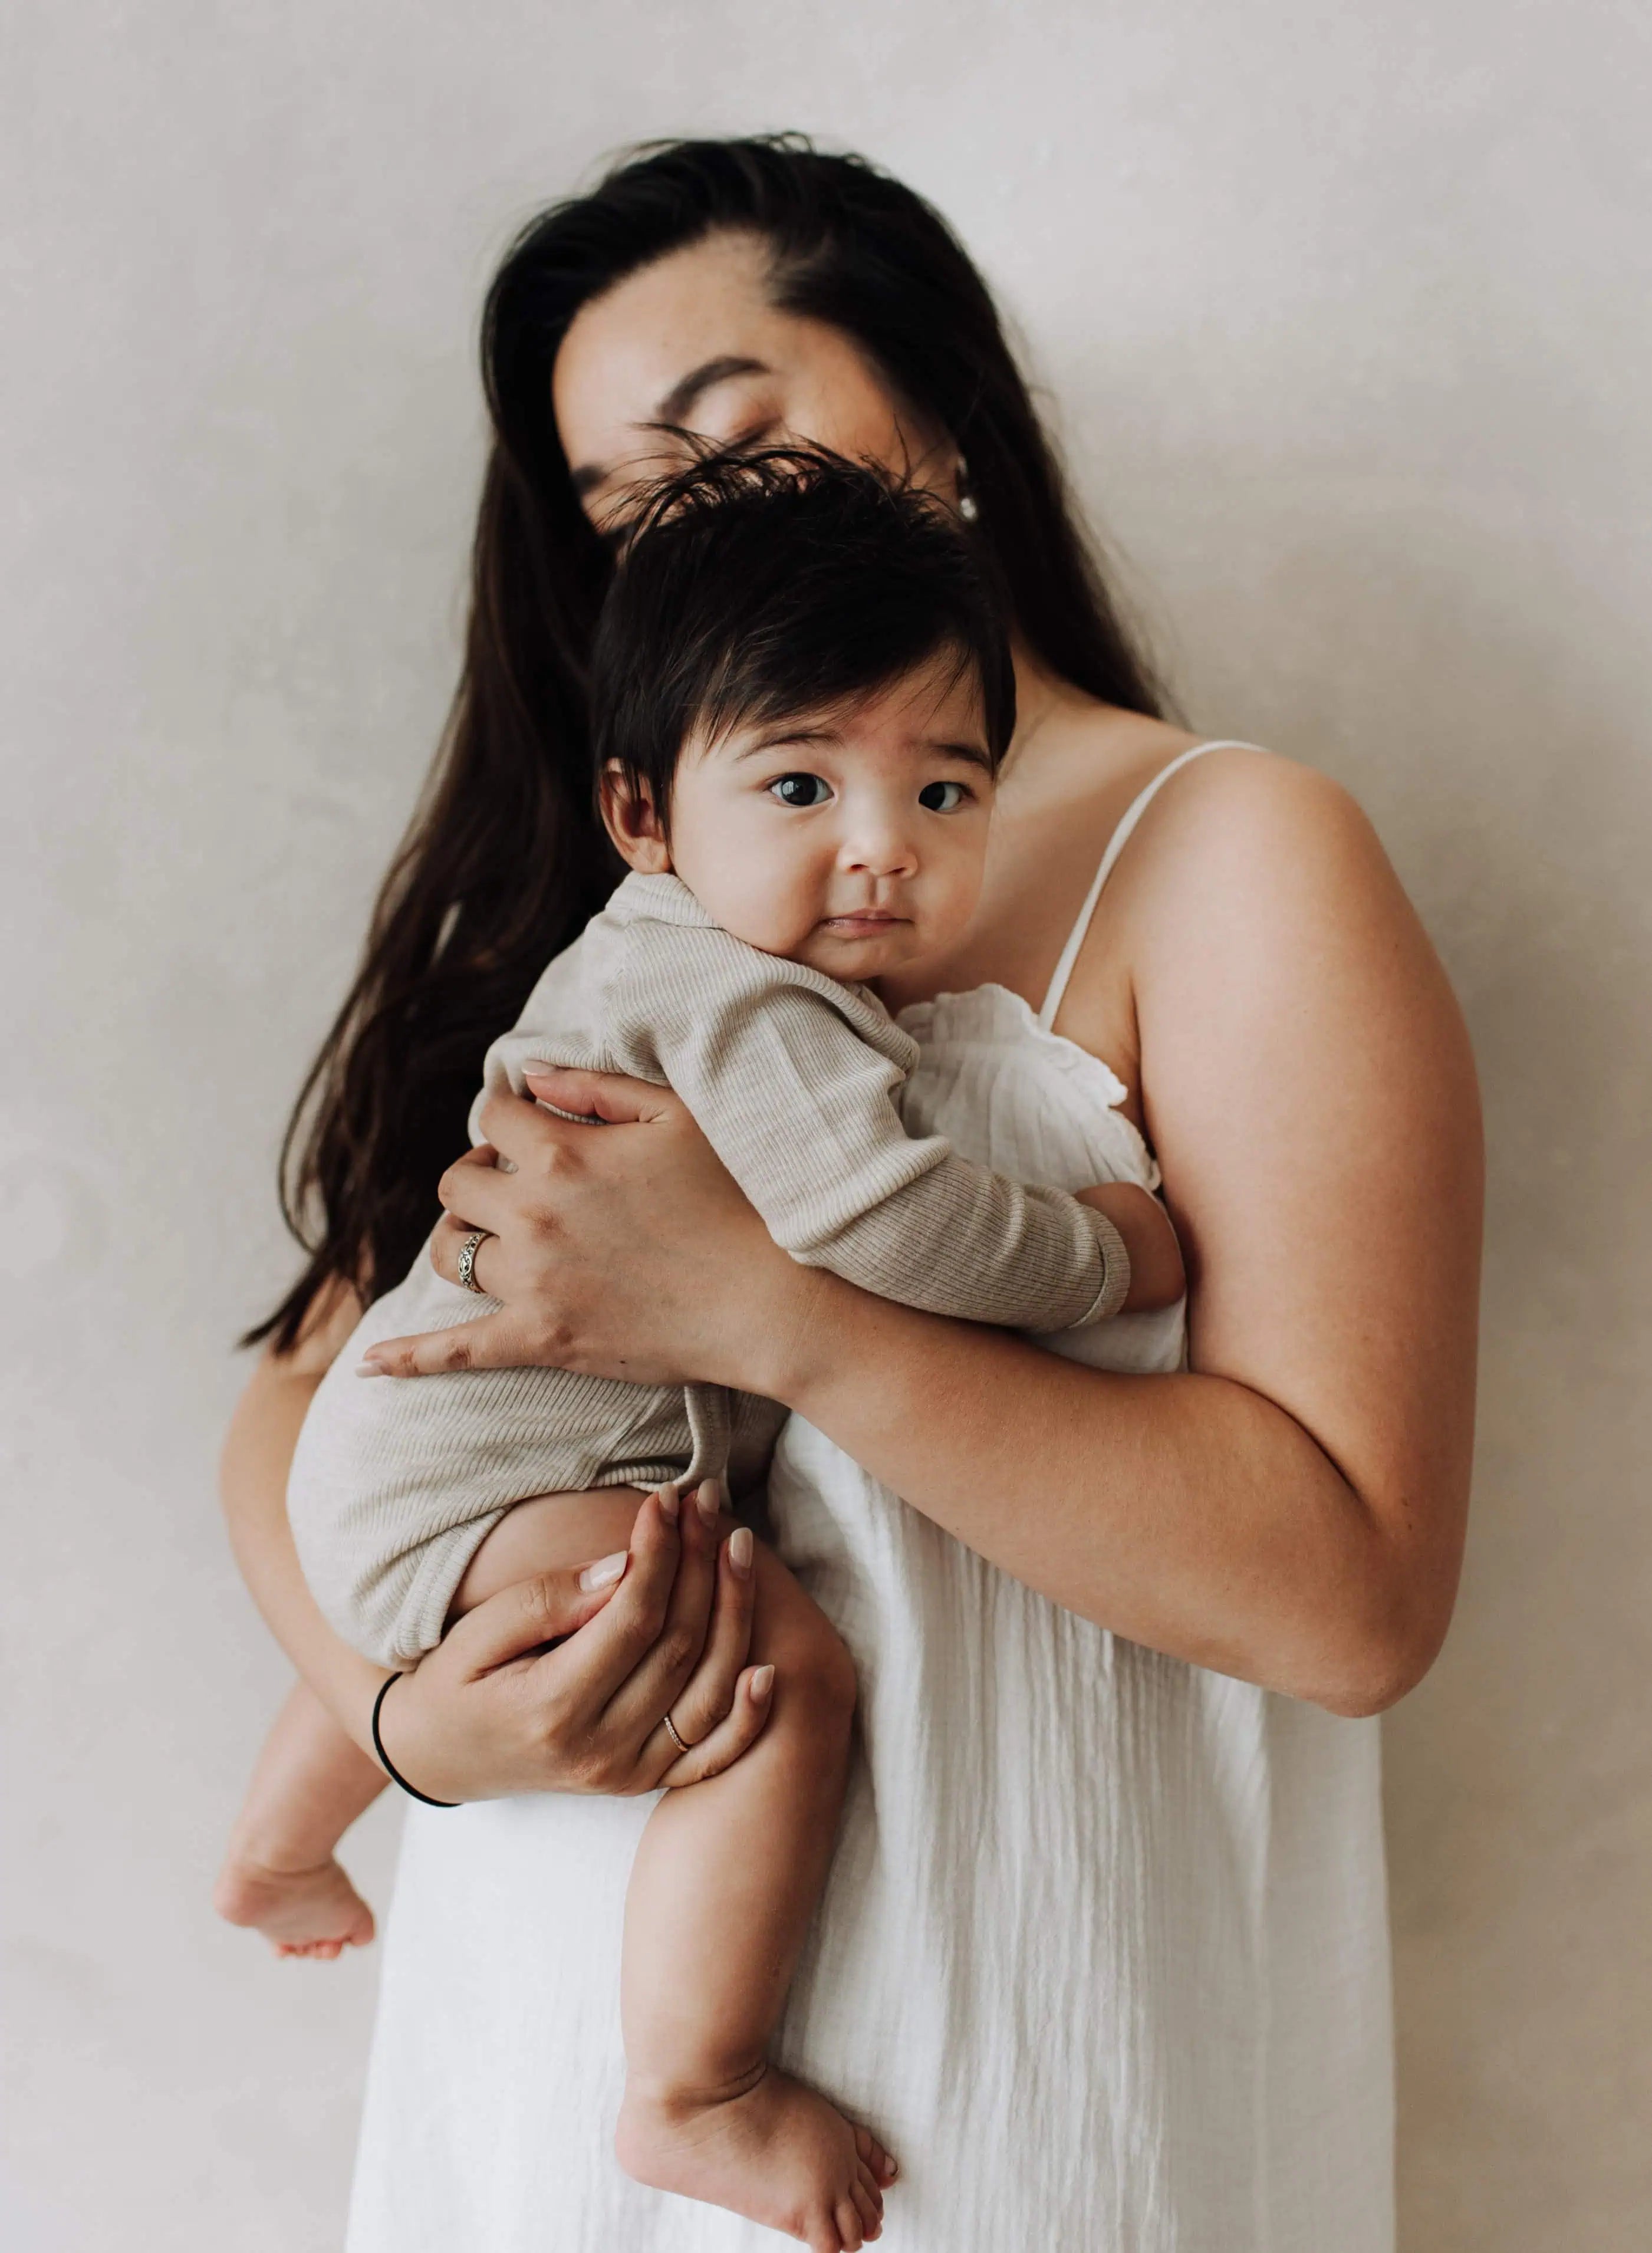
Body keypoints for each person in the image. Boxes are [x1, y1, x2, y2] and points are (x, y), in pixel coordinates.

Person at [216, 139, 1481, 2252]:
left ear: (948, 420)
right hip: (558, 2009)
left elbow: (1346, 1601)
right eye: (627, 508)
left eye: (739, 434)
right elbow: (310, 1411)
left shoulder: (1234, 847)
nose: (696, 520)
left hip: (1004, 2054)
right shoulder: (646, 914)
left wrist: (776, 1319)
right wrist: (404, 1726)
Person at [223, 451, 1180, 2251]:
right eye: (803, 782)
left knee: (427, 1597)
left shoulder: (655, 960)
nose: (880, 843)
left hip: (421, 1459)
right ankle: (695, 2086)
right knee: (785, 1674)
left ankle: (276, 1847)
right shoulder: (742, 994)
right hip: (518, 1460)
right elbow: (884, 1223)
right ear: (641, 813)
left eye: (942, 784)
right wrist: (1098, 1251)